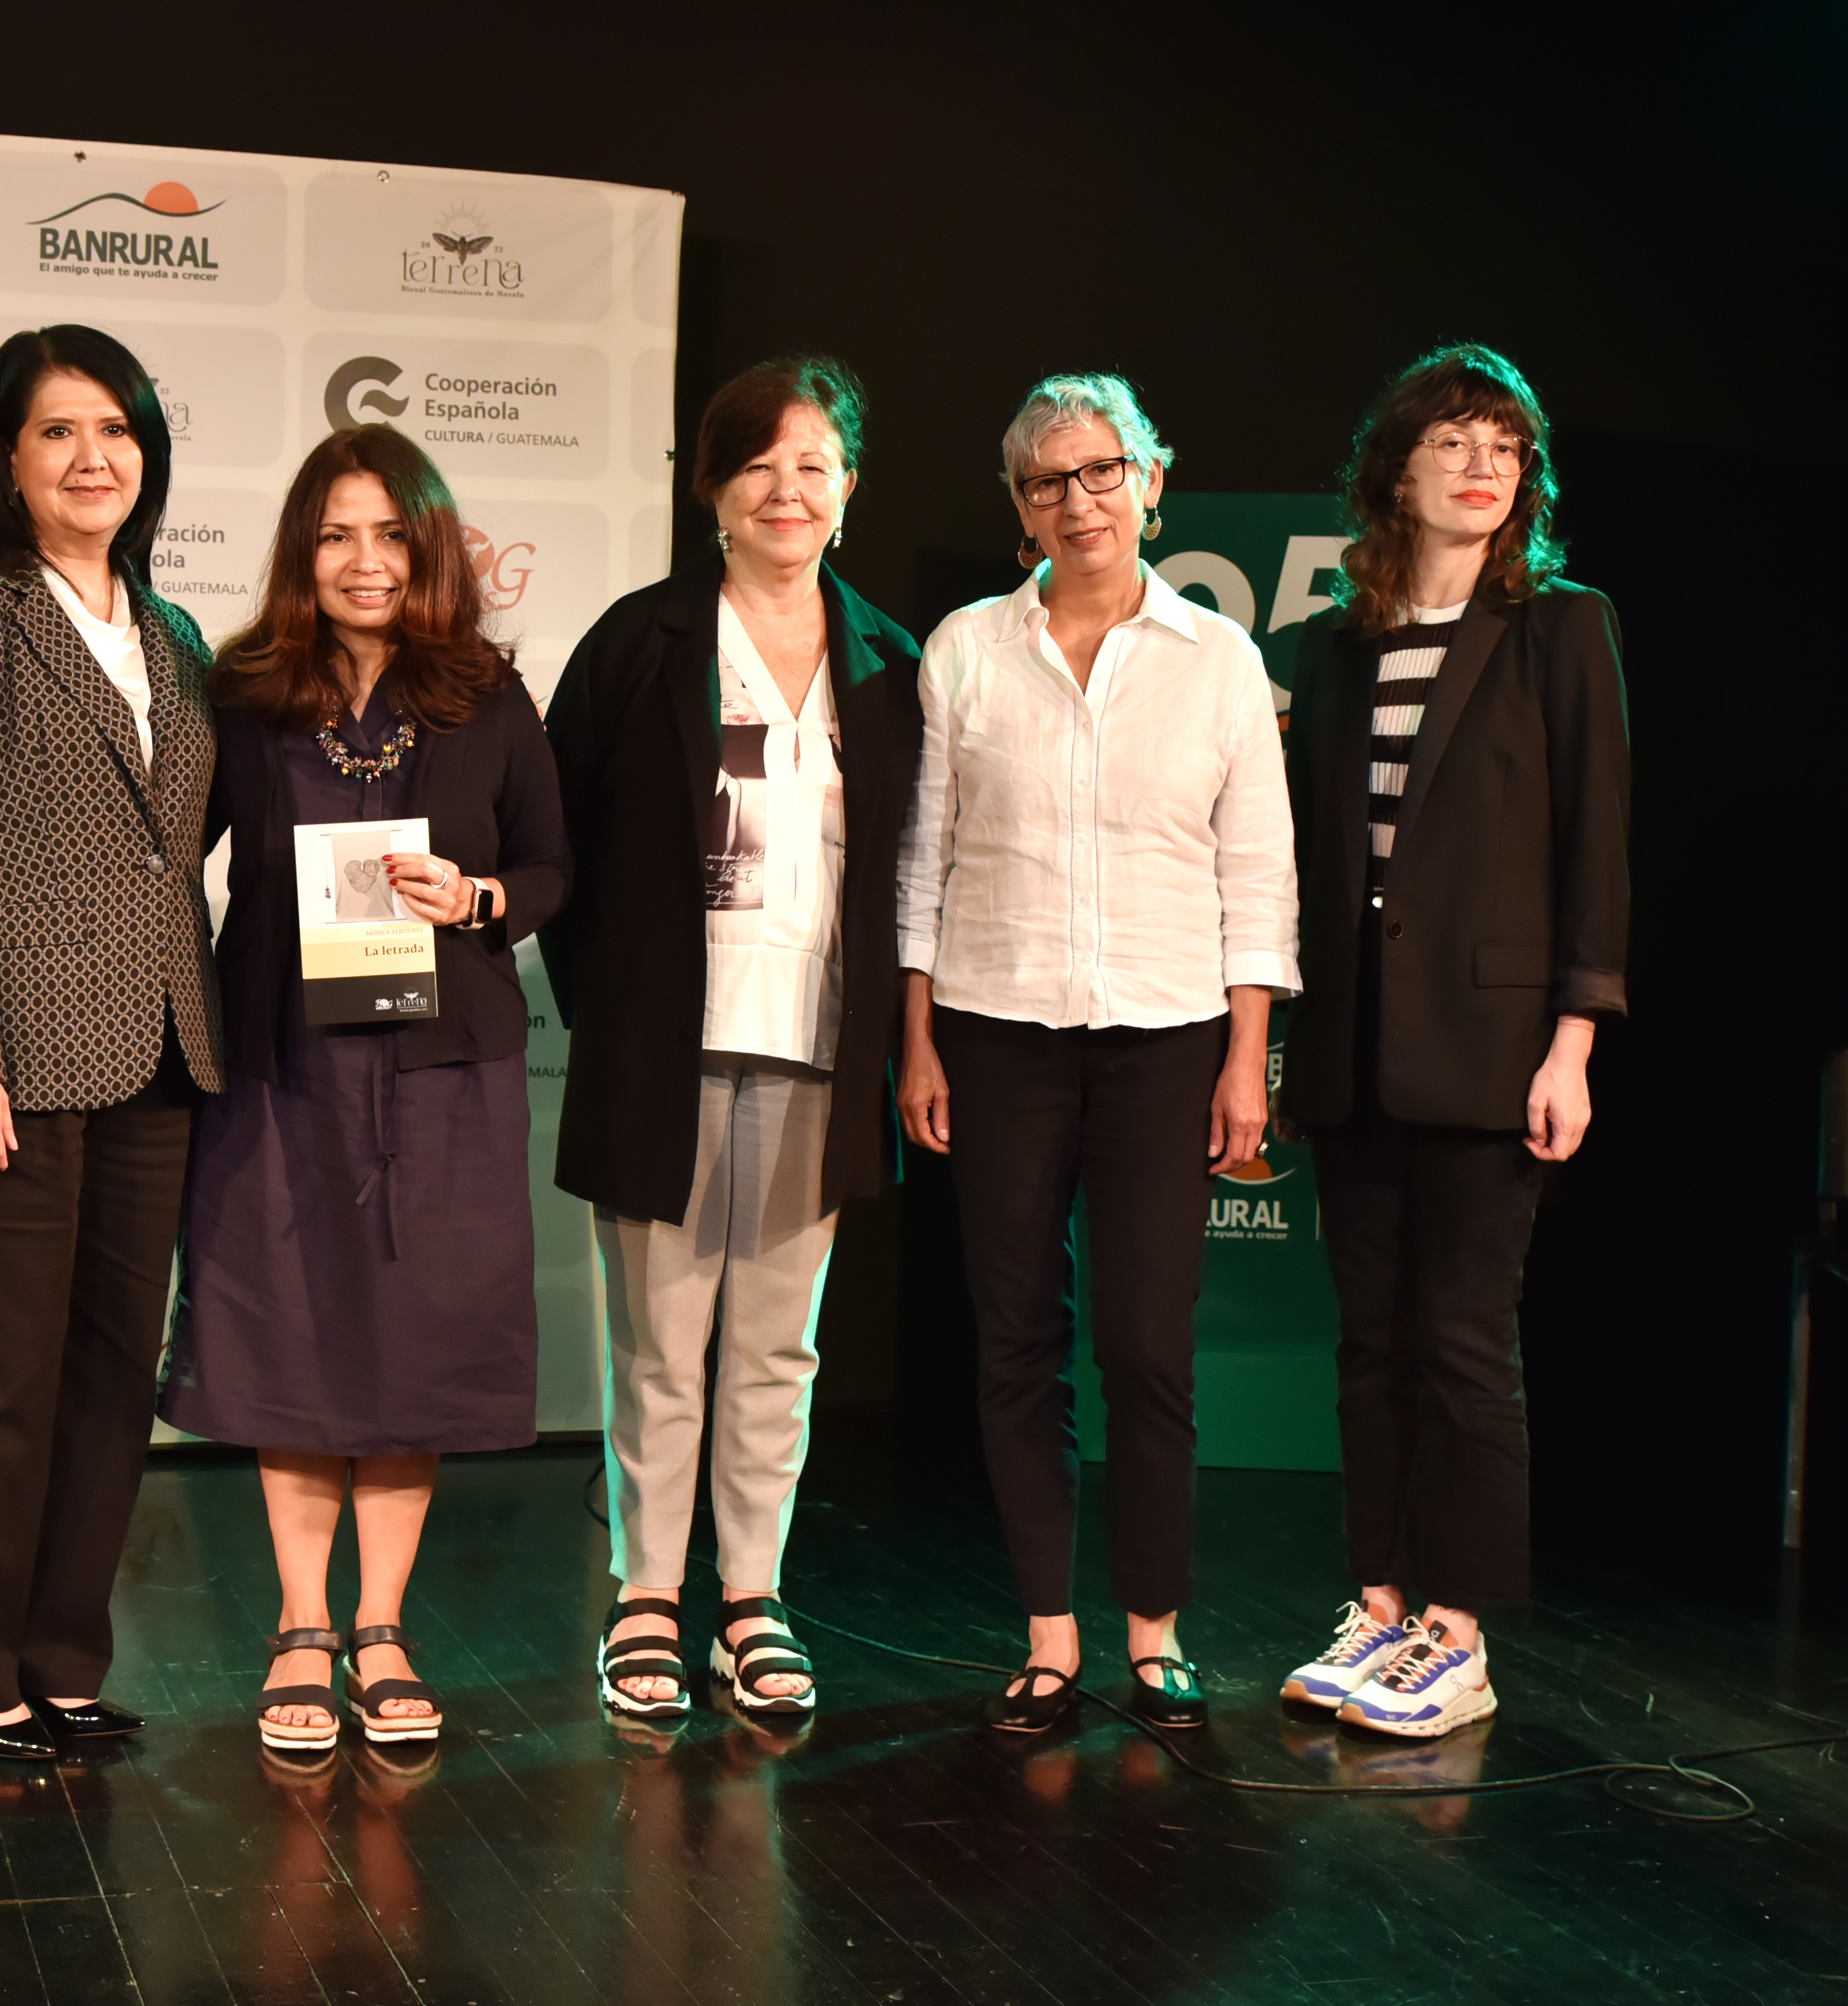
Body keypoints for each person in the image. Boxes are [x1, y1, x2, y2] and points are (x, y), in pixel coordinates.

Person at [896, 374, 1298, 1734]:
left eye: (1100, 472)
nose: (1078, 502)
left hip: (1168, 1038)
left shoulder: (1221, 661)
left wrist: (1247, 1063)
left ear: (1151, 481)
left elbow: (1260, 877)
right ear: (1016, 509)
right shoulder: (961, 650)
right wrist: (918, 1041)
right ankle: (1048, 1636)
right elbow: (921, 864)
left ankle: (1155, 1631)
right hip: (996, 1033)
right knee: (1013, 1340)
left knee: (1145, 1347)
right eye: (1045, 482)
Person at [159, 427, 570, 1751]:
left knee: (417, 1340)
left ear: (430, 546)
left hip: (445, 1068)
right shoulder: (241, 691)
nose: (365, 560)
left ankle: (382, 1627)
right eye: (337, 534)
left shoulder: (489, 694)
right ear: (302, 552)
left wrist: (483, 898)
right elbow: (161, 852)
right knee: (293, 1331)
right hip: (279, 1062)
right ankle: (300, 1628)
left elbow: (556, 866)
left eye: (391, 533)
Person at [0, 326, 226, 1763]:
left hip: (152, 1064)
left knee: (102, 1387)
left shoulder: (174, 633)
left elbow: (177, 840)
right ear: (5, 462)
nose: (95, 459)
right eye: (60, 433)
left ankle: (64, 1656)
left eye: (118, 432)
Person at [542, 355, 922, 1722]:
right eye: (756, 463)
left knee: (776, 1348)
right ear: (710, 489)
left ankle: (750, 1601)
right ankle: (648, 1597)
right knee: (656, 1343)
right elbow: (557, 855)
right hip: (667, 1052)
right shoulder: (636, 644)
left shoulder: (890, 660)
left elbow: (908, 867)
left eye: (813, 463)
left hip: (816, 1050)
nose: (786, 488)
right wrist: (625, 1016)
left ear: (848, 491)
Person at [1274, 345, 1629, 1739]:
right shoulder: (1332, 642)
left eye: (1503, 448)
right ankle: (1377, 1603)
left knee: (1463, 1344)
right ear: (1396, 471)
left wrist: (1573, 1046)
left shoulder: (1562, 627)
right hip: (1354, 1050)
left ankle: (1458, 1633)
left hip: (1494, 1052)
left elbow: (1595, 850)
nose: (1482, 469)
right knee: (1366, 1343)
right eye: (1453, 444)